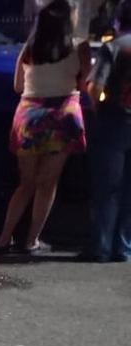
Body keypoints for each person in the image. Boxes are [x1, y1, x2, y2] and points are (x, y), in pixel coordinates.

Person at [0, 0, 90, 254]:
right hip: (62, 116)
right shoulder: (79, 47)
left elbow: (18, 86)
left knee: (25, 183)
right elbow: (84, 85)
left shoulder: (29, 48)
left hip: (29, 116)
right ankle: (31, 240)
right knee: (47, 183)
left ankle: (4, 238)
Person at [83, 0, 131, 262]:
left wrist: (99, 108)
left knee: (107, 189)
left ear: (119, 20)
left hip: (114, 122)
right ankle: (124, 247)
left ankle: (100, 247)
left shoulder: (113, 47)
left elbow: (94, 87)